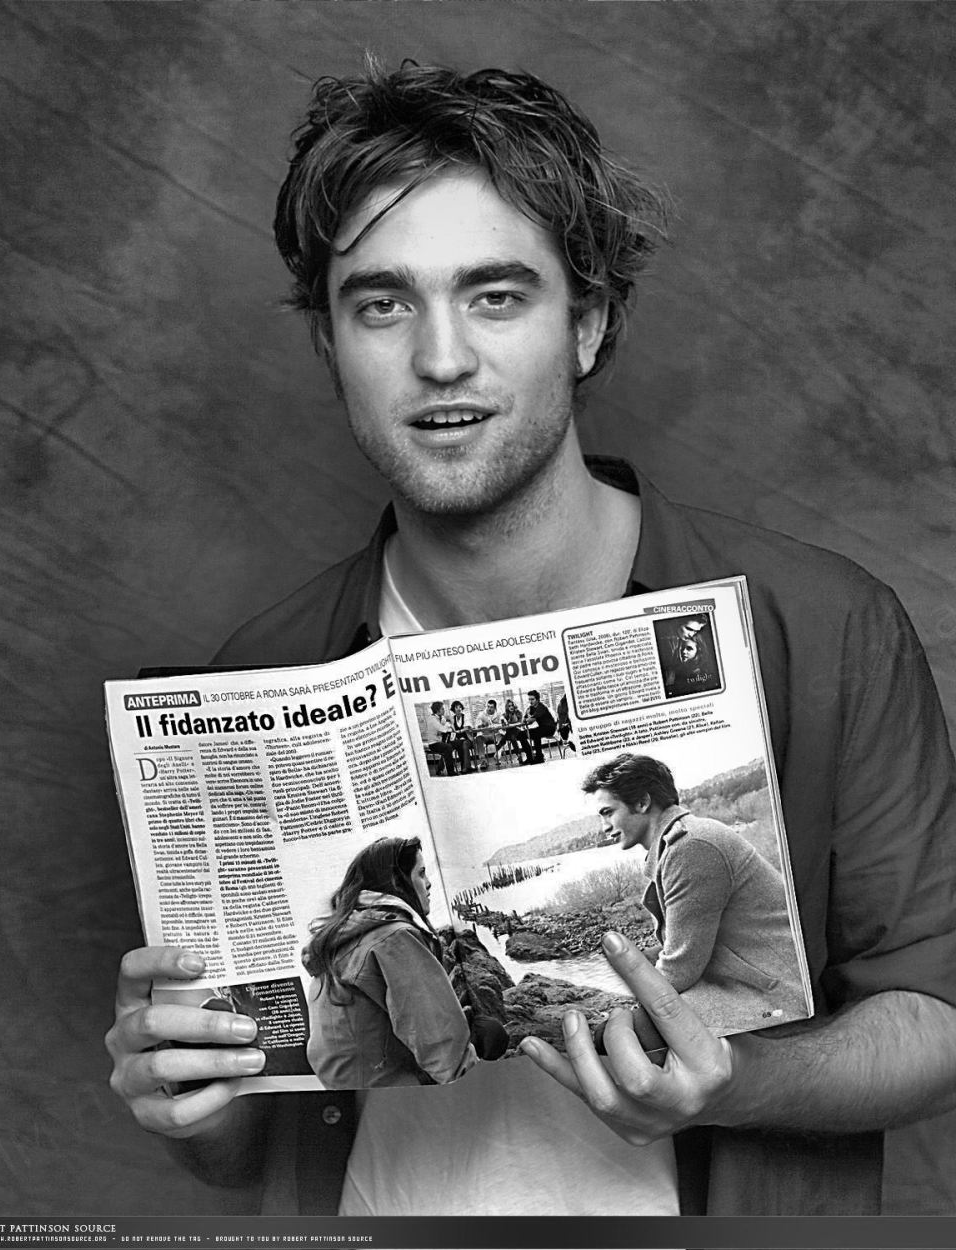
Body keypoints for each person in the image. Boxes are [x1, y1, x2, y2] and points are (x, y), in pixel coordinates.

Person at [106, 61, 956, 1217]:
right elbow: (249, 1140)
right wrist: (192, 1099)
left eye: (496, 296)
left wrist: (739, 1082)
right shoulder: (257, 678)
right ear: (330, 343)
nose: (440, 358)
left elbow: (938, 1015)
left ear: (586, 324)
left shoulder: (821, 626)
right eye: (382, 304)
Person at [582, 753, 805, 1034]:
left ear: (641, 802)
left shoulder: (692, 847)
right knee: (641, 969)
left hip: (779, 995)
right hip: (751, 974)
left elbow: (679, 972)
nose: (604, 827)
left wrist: (638, 1007)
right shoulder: (682, 840)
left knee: (616, 1034)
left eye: (608, 812)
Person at [302, 836, 490, 1088]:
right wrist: (475, 1087)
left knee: (482, 1031)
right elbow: (437, 1038)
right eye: (421, 873)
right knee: (493, 1036)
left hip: (348, 1083)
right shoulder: (394, 937)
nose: (429, 883)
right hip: (391, 1090)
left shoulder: (349, 933)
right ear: (396, 881)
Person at [423, 699, 457, 775]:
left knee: (450, 746)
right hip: (433, 744)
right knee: (448, 747)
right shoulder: (432, 719)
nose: (444, 710)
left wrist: (449, 723)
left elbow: (447, 726)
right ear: (437, 710)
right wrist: (449, 725)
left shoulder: (440, 717)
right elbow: (442, 729)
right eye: (442, 709)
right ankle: (451, 772)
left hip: (439, 741)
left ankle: (440, 769)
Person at [524, 689, 557, 764]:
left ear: (537, 699)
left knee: (536, 733)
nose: (530, 701)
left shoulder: (541, 707)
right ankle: (530, 757)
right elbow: (526, 720)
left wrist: (528, 717)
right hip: (542, 728)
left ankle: (539, 757)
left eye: (532, 699)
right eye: (529, 699)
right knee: (521, 734)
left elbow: (530, 720)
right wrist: (527, 716)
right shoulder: (531, 708)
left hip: (550, 728)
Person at [473, 697, 504, 769]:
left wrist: (495, 725)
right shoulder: (481, 714)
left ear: (495, 708)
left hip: (495, 734)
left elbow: (503, 724)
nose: (489, 709)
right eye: (488, 706)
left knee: (501, 737)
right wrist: (482, 725)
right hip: (485, 735)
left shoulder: (499, 714)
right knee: (478, 738)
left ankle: (497, 756)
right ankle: (483, 761)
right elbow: (476, 726)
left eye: (491, 707)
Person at [448, 699, 475, 772]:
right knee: (449, 746)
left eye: (460, 707)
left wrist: (459, 731)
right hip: (458, 740)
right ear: (453, 709)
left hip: (468, 739)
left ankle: (466, 767)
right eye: (456, 707)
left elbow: (467, 728)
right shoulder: (453, 719)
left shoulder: (465, 716)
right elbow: (453, 730)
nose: (459, 709)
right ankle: (465, 767)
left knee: (464, 744)